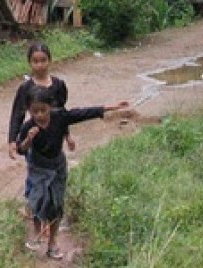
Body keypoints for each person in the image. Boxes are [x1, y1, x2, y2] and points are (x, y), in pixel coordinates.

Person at [16, 86, 129, 260]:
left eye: (43, 110)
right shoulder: (27, 127)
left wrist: (111, 107)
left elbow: (82, 113)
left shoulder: (60, 116)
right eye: (34, 112)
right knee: (37, 201)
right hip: (38, 168)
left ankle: (52, 243)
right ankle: (37, 234)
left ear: (50, 107)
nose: (39, 115)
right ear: (29, 111)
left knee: (56, 204)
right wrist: (28, 140)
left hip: (58, 167)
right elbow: (21, 150)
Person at [7, 43, 75, 211]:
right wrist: (12, 141)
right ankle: (33, 204)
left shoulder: (58, 85)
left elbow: (62, 114)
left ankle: (51, 203)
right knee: (34, 171)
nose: (39, 65)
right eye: (35, 61)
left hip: (53, 136)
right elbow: (17, 114)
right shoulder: (26, 88)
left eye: (43, 60)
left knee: (54, 169)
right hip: (35, 136)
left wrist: (67, 135)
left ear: (50, 61)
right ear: (29, 63)